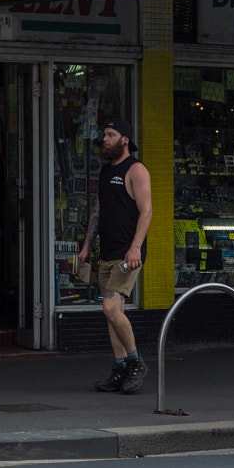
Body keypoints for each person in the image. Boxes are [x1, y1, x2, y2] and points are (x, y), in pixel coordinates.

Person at [76, 117, 152, 394]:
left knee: (109, 307)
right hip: (107, 250)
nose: (104, 139)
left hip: (126, 252)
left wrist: (135, 247)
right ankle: (120, 367)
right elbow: (97, 211)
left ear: (125, 139)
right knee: (113, 314)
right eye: (104, 134)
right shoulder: (107, 171)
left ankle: (135, 362)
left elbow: (147, 211)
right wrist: (86, 247)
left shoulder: (136, 169)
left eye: (110, 134)